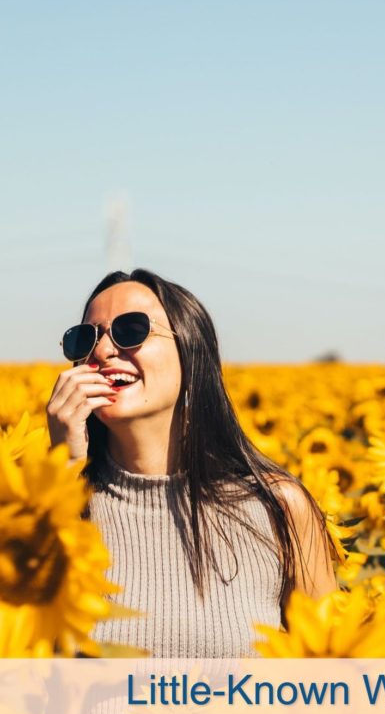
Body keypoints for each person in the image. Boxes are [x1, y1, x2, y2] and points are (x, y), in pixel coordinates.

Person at [46, 269, 336, 657]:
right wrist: (60, 473)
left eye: (131, 329)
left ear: (191, 350)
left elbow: (338, 677)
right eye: (86, 338)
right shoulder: (38, 511)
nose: (102, 351)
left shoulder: (278, 508)